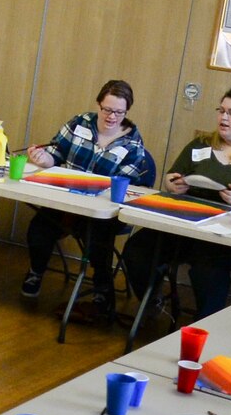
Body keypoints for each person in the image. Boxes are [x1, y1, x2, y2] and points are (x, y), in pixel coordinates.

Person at [119, 86, 231, 320]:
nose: (224, 117)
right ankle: (152, 301)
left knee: (206, 270)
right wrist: (173, 184)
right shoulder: (201, 144)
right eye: (221, 110)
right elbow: (172, 177)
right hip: (187, 226)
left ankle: (205, 328)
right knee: (137, 250)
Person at [20, 79, 156, 319]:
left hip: (101, 210)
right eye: (107, 109)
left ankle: (102, 289)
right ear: (98, 104)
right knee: (39, 228)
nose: (112, 116)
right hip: (66, 201)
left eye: (119, 112)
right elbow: (56, 154)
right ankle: (35, 272)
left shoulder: (133, 143)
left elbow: (126, 186)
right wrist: (43, 160)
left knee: (99, 238)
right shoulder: (79, 123)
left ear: (126, 112)